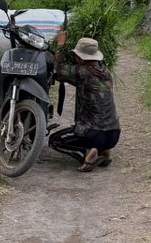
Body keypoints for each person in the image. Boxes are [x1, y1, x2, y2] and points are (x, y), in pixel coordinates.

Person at [48, 37, 121, 172]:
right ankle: (104, 151)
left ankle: (87, 155)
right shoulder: (106, 72)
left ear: (82, 58)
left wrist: (60, 47)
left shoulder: (82, 72)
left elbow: (59, 68)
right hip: (114, 133)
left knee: (54, 141)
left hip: (94, 133)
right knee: (101, 128)